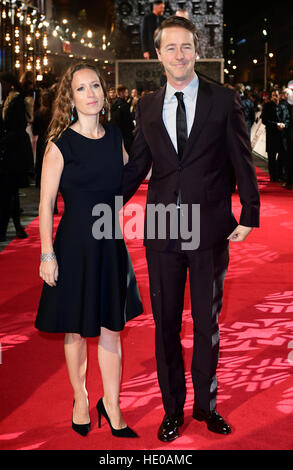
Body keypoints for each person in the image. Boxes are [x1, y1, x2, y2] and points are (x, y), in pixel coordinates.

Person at [122, 16, 260, 442]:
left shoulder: (224, 99)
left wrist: (250, 212)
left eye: (186, 47)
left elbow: (241, 157)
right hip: (162, 230)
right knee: (165, 324)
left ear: (196, 50)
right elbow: (139, 168)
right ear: (158, 54)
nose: (179, 55)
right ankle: (171, 409)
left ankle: (206, 405)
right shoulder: (146, 106)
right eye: (171, 47)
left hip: (208, 228)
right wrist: (100, 199)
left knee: (206, 321)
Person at [35, 62, 143, 438]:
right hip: (75, 246)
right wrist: (47, 254)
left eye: (95, 85)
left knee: (112, 328)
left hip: (110, 243)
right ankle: (81, 398)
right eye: (81, 88)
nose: (91, 93)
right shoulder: (60, 144)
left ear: (104, 91)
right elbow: (46, 203)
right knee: (76, 331)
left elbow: (131, 177)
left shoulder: (115, 137)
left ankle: (111, 405)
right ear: (71, 98)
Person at [0, 72, 33, 242]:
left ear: (9, 84)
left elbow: (17, 129)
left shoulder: (16, 102)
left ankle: (8, 228)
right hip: (9, 152)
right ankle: (16, 227)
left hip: (14, 154)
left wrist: (3, 141)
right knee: (9, 192)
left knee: (8, 192)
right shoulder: (6, 101)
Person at [261, 90, 290, 183]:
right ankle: (273, 177)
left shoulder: (283, 106)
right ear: (271, 96)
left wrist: (284, 124)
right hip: (271, 135)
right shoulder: (267, 106)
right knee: (272, 157)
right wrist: (276, 124)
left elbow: (288, 118)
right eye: (273, 95)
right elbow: (264, 121)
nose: (275, 97)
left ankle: (280, 175)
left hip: (282, 136)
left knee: (282, 156)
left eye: (276, 95)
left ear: (279, 95)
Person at [110, 85, 135, 153]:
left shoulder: (113, 104)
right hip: (125, 135)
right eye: (126, 93)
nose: (127, 95)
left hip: (116, 134)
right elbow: (128, 121)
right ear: (121, 93)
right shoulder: (124, 105)